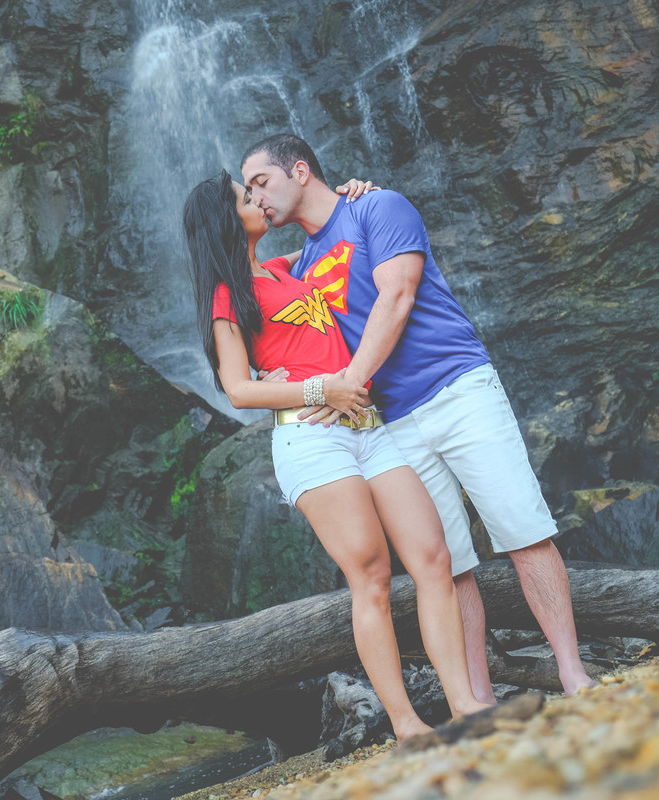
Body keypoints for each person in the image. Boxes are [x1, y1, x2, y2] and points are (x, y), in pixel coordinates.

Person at [240, 133, 595, 700]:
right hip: (391, 423)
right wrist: (271, 378)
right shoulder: (299, 267)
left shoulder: (379, 207)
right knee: (448, 567)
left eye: (261, 183)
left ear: (300, 170)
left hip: (456, 387)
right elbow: (263, 308)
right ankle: (477, 702)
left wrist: (345, 385)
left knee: (523, 531)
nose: (256, 199)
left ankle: (574, 675)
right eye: (248, 192)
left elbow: (397, 295)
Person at [182, 170, 492, 741]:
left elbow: (339, 238)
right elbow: (238, 389)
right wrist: (320, 388)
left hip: (369, 427)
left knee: (433, 558)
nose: (256, 199)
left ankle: (467, 705)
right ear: (226, 219)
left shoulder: (283, 269)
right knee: (371, 576)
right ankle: (406, 724)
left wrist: (352, 197)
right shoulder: (228, 294)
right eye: (244, 196)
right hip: (312, 434)